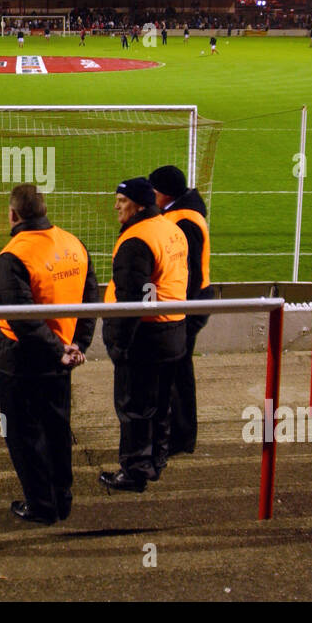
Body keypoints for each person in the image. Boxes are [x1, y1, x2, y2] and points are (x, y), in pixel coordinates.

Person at [0, 185, 98, 525]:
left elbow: (22, 318)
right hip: (62, 356)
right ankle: (61, 499)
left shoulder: (13, 255)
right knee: (56, 429)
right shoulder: (73, 243)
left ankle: (41, 504)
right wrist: (77, 343)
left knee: (23, 434)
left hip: (23, 360)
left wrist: (59, 350)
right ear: (44, 209)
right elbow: (90, 298)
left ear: (13, 214)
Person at [99, 177, 187, 492]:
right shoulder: (171, 229)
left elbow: (131, 300)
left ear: (136, 204)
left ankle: (135, 471)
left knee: (134, 406)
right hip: (173, 330)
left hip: (145, 337)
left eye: (120, 201)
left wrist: (120, 344)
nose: (116, 206)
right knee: (161, 404)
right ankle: (156, 461)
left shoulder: (136, 240)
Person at [148, 165, 215, 458]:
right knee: (177, 371)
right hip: (189, 303)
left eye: (154, 190)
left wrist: (179, 310)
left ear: (163, 193)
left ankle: (180, 437)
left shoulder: (184, 220)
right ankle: (179, 435)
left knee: (176, 373)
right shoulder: (184, 213)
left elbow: (193, 273)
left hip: (187, 305)